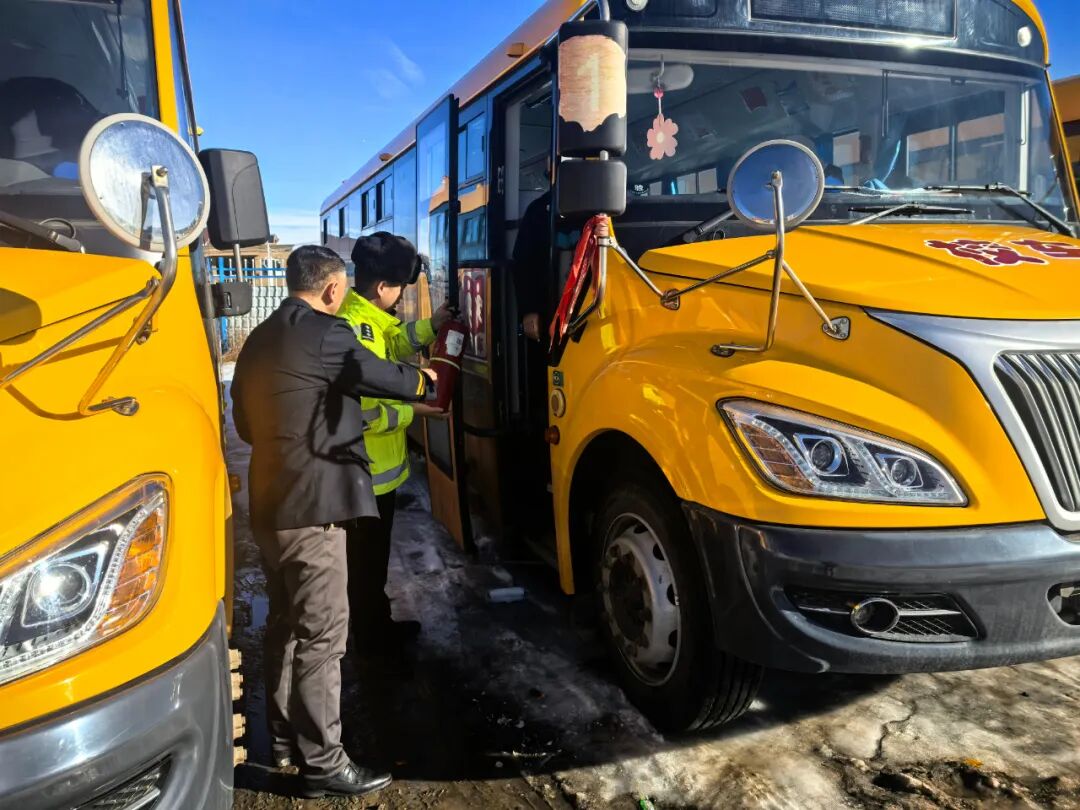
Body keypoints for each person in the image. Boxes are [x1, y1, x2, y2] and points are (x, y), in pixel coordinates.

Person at [231, 245, 431, 799]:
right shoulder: (328, 332)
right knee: (323, 636)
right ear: (331, 289)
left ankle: (287, 739)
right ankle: (324, 763)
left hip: (269, 507)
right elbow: (388, 379)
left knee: (287, 627)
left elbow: (244, 425)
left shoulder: (259, 340)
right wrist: (426, 384)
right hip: (314, 511)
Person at [337, 232, 454, 656]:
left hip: (374, 474)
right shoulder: (357, 329)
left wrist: (433, 324)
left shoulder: (365, 318)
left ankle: (373, 626)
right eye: (401, 288)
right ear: (383, 287)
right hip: (366, 474)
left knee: (370, 560)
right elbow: (365, 412)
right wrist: (418, 411)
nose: (402, 296)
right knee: (367, 563)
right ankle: (374, 638)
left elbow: (398, 340)